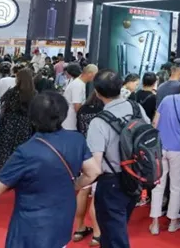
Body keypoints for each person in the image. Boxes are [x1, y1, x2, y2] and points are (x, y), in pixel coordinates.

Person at [0, 91, 101, 247]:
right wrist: (74, 185)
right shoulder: (76, 139)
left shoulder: (27, 152)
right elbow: (93, 171)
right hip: (63, 217)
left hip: (32, 225)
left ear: (32, 117)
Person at [87, 70, 151, 248]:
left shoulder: (98, 122)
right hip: (135, 177)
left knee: (114, 236)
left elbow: (95, 167)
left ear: (97, 92)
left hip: (111, 183)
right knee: (115, 230)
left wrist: (79, 184)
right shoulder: (136, 109)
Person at [149, 80, 180, 235]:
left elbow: (155, 122)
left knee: (158, 184)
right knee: (176, 186)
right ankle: (172, 222)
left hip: (160, 146)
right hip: (179, 149)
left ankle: (155, 223)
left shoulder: (166, 99)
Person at [0, 67, 36, 176]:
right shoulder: (34, 94)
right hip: (25, 125)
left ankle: (0, 173)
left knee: (4, 149)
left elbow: (2, 103)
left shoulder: (12, 92)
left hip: (8, 123)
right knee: (20, 150)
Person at [75, 89, 105, 246]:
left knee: (83, 190)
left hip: (83, 152)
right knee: (96, 194)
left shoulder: (82, 110)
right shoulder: (104, 111)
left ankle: (79, 227)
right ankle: (97, 233)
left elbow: (79, 129)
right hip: (99, 153)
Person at [63, 64, 97, 132]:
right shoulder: (78, 85)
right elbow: (77, 107)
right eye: (95, 75)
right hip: (70, 123)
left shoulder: (79, 83)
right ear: (90, 74)